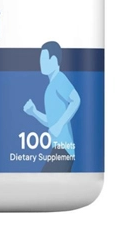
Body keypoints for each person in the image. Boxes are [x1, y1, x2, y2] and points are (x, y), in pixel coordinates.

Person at [23, 41, 80, 172]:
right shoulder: (50, 87)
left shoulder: (60, 79)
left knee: (45, 179)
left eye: (44, 59)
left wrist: (59, 125)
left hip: (64, 149)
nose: (41, 63)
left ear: (54, 60)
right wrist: (34, 112)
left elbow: (76, 100)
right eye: (40, 59)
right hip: (60, 149)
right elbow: (51, 121)